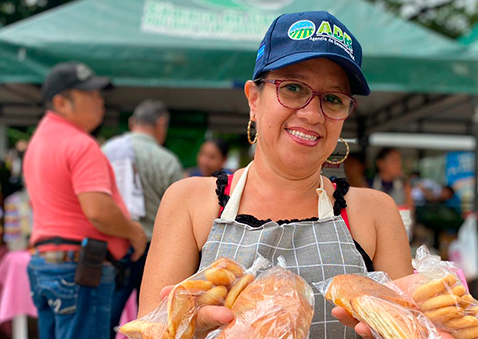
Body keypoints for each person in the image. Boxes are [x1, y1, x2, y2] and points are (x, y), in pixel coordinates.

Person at [139, 12, 413, 339]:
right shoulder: (190, 201)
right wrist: (186, 330)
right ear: (254, 99)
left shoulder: (375, 213)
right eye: (294, 88)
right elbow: (147, 329)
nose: (312, 113)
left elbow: (412, 327)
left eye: (333, 99)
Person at [24, 62, 147, 339]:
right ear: (61, 102)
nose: (99, 101)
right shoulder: (80, 144)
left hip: (47, 263)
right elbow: (98, 211)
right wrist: (134, 232)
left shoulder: (38, 142)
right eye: (89, 94)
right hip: (79, 269)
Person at [102, 98, 184, 333]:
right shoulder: (166, 161)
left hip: (113, 246)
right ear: (161, 124)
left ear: (132, 122)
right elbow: (181, 211)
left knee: (106, 318)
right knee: (152, 322)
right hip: (155, 250)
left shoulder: (107, 151)